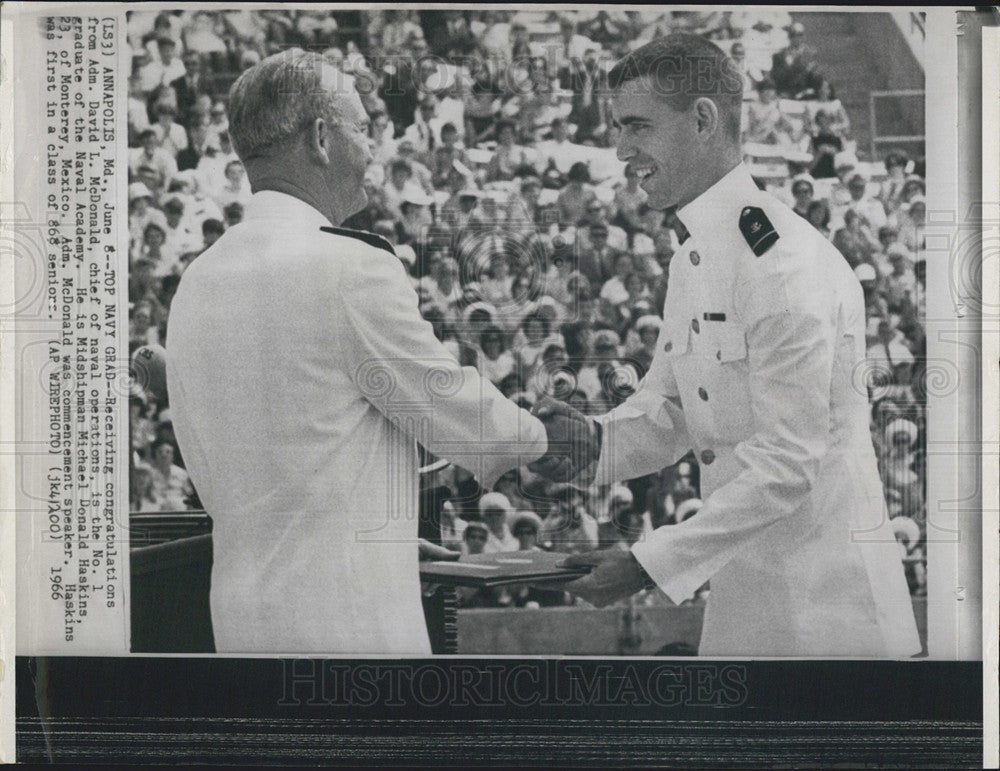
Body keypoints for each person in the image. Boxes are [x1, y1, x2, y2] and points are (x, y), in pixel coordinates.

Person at [527, 34, 920, 657]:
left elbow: (789, 461)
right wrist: (593, 443)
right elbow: (676, 409)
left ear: (704, 119)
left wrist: (648, 563)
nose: (622, 149)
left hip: (833, 617)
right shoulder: (694, 256)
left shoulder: (781, 262)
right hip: (748, 605)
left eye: (637, 126)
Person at [166, 50, 565, 655]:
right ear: (322, 138)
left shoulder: (197, 279)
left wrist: (387, 536)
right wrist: (556, 438)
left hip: (241, 626)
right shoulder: (348, 265)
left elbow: (292, 457)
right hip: (351, 630)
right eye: (363, 127)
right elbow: (460, 417)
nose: (375, 146)